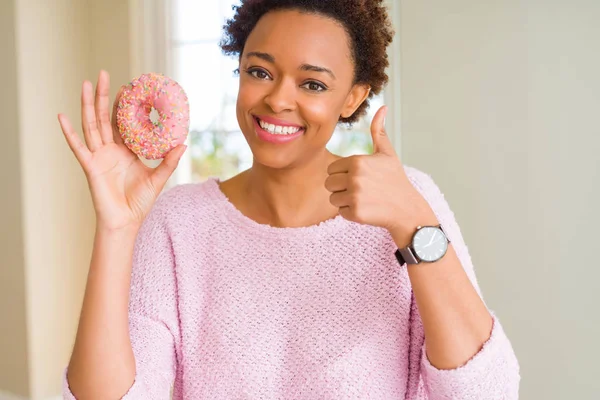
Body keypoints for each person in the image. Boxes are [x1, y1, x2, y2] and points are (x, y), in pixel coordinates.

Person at [58, 0, 520, 399]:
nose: (278, 99)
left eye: (313, 83)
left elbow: (487, 392)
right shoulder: (179, 223)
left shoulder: (406, 202)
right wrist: (117, 230)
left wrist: (413, 223)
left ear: (352, 96)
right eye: (260, 71)